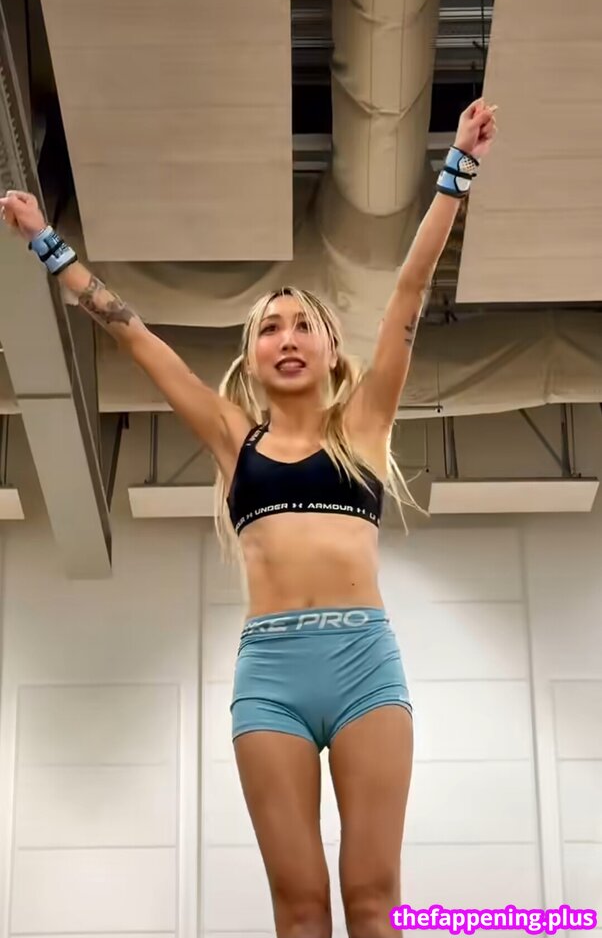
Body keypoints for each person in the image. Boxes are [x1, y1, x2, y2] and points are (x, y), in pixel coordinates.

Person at [1, 98, 497, 938]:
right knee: (299, 907)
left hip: (365, 665)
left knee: (373, 897)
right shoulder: (235, 438)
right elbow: (137, 339)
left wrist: (458, 169)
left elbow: (409, 291)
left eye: (305, 325)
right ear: (253, 356)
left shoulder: (365, 426)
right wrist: (51, 247)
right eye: (270, 328)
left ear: (332, 351)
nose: (288, 337)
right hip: (271, 675)